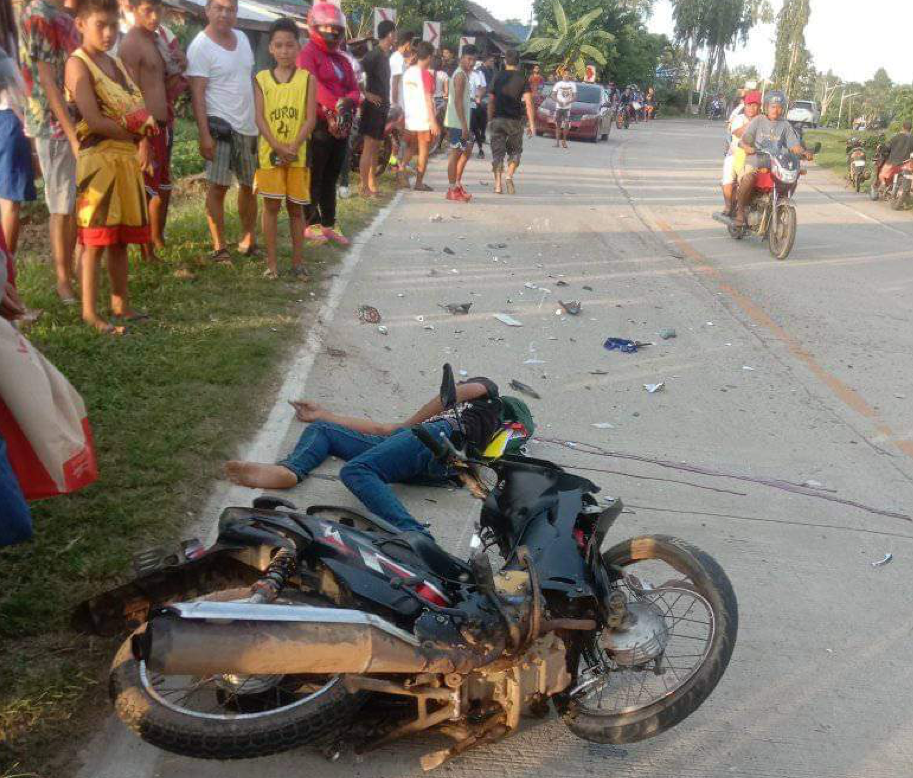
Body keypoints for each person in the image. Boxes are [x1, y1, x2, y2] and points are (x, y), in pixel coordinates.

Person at [225, 376, 501, 536]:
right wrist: (323, 415)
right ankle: (290, 470)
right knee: (323, 430)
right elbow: (383, 430)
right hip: (426, 454)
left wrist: (409, 425)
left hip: (441, 441)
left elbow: (449, 395)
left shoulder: (486, 395)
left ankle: (412, 535)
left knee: (357, 471)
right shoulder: (434, 421)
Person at [64, 0, 156, 334]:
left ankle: (121, 305)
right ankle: (90, 312)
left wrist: (142, 138)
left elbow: (137, 108)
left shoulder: (115, 61)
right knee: (95, 240)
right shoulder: (78, 64)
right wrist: (137, 133)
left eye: (113, 26)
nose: (107, 33)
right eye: (100, 25)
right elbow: (94, 119)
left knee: (120, 238)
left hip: (125, 159)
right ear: (80, 24)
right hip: (98, 160)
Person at [187, 0, 258, 264]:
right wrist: (204, 134)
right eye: (218, 7)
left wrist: (259, 119)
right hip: (220, 127)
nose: (224, 13)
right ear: (207, 11)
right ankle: (220, 248)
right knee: (218, 187)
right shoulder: (200, 47)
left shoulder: (242, 38)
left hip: (248, 126)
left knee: (250, 186)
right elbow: (197, 93)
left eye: (230, 9)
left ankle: (248, 237)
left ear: (236, 13)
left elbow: (249, 81)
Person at [20, 0, 81, 303]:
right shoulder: (39, 14)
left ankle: (76, 274)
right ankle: (63, 281)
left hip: (76, 119)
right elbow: (47, 80)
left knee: (74, 204)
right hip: (53, 123)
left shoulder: (64, 14)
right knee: (61, 205)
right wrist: (72, 135)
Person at [252, 18, 315, 279]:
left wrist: (293, 146)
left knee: (296, 208)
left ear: (298, 46)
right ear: (270, 48)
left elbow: (310, 119)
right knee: (270, 207)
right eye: (279, 45)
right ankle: (272, 264)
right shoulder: (261, 79)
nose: (284, 50)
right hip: (270, 155)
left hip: (298, 156)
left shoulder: (307, 79)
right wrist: (278, 147)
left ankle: (298, 263)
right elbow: (259, 118)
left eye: (290, 45)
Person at [297, 2, 360, 247]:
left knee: (331, 176)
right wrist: (337, 104)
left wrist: (346, 104)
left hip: (341, 125)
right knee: (315, 175)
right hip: (318, 125)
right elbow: (313, 85)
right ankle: (310, 223)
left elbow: (356, 90)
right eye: (325, 27)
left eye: (335, 28)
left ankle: (329, 224)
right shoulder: (308, 53)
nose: (331, 32)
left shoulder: (342, 59)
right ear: (314, 26)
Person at [119, 0, 174, 263]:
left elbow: (162, 82)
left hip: (162, 126)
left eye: (158, 10)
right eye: (147, 11)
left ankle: (154, 241)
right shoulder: (131, 44)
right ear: (132, 10)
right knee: (146, 190)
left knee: (161, 187)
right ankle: (145, 251)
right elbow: (130, 96)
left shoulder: (156, 40)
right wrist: (141, 140)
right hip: (146, 129)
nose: (154, 16)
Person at [736, 90, 813, 228]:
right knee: (748, 178)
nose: (776, 110)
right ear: (766, 107)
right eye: (772, 106)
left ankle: (777, 207)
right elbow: (744, 140)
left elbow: (794, 145)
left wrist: (804, 152)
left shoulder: (785, 125)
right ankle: (740, 211)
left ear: (783, 109)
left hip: (775, 163)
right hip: (756, 161)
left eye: (779, 107)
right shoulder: (758, 120)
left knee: (792, 179)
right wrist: (747, 147)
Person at [0, 32, 38, 259]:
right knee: (9, 201)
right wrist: (32, 138)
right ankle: (7, 265)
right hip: (9, 120)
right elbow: (16, 97)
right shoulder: (4, 54)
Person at [487, 48, 534, 196]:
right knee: (515, 151)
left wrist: (489, 120)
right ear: (518, 62)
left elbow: (491, 101)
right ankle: (509, 176)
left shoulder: (497, 76)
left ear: (505, 61)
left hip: (498, 119)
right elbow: (528, 102)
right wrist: (532, 123)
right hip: (515, 121)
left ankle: (497, 186)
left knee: (497, 154)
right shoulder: (522, 78)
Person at [358, 19, 394, 198]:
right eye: (394, 33)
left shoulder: (385, 55)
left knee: (376, 147)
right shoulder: (374, 55)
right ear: (390, 35)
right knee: (369, 146)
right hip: (372, 108)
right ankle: (363, 186)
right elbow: (355, 71)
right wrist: (366, 93)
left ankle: (372, 184)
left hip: (382, 107)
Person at [401, 40, 438, 192]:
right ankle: (419, 182)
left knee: (410, 148)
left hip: (409, 118)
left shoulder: (408, 72)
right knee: (423, 151)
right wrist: (433, 121)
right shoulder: (426, 75)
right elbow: (428, 100)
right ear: (429, 57)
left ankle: (400, 170)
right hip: (423, 119)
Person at [444, 43, 476, 203]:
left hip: (460, 122)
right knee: (454, 155)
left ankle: (456, 186)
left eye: (474, 60)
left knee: (462, 153)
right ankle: (451, 190)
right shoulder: (460, 76)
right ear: (461, 58)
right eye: (469, 59)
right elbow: (457, 102)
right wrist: (464, 125)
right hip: (457, 122)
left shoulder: (463, 74)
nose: (471, 63)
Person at [720, 89, 760, 217]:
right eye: (749, 105)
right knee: (728, 176)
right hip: (737, 154)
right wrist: (755, 123)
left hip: (759, 156)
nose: (752, 108)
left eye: (755, 105)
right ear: (745, 106)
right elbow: (738, 132)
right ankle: (728, 205)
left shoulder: (764, 120)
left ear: (759, 107)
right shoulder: (739, 118)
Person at [389, 29, 412, 188]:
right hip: (396, 106)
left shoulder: (399, 59)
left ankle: (395, 166)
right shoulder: (397, 59)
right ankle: (398, 172)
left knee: (397, 141)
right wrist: (396, 106)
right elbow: (395, 84)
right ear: (407, 44)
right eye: (411, 44)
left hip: (398, 105)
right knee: (401, 140)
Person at [874, 119, 913, 193]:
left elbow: (887, 147)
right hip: (907, 164)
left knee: (881, 175)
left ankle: (883, 184)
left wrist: (880, 148)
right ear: (910, 128)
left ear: (903, 127)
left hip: (893, 163)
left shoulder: (897, 137)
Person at [551, 70, 576, 148]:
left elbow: (575, 97)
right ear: (562, 75)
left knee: (566, 125)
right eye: (565, 74)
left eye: (568, 74)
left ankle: (564, 142)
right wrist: (558, 101)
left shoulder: (572, 85)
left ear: (570, 76)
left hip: (567, 108)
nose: (566, 76)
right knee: (558, 125)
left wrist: (569, 102)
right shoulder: (558, 84)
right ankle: (557, 142)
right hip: (559, 107)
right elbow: (553, 95)